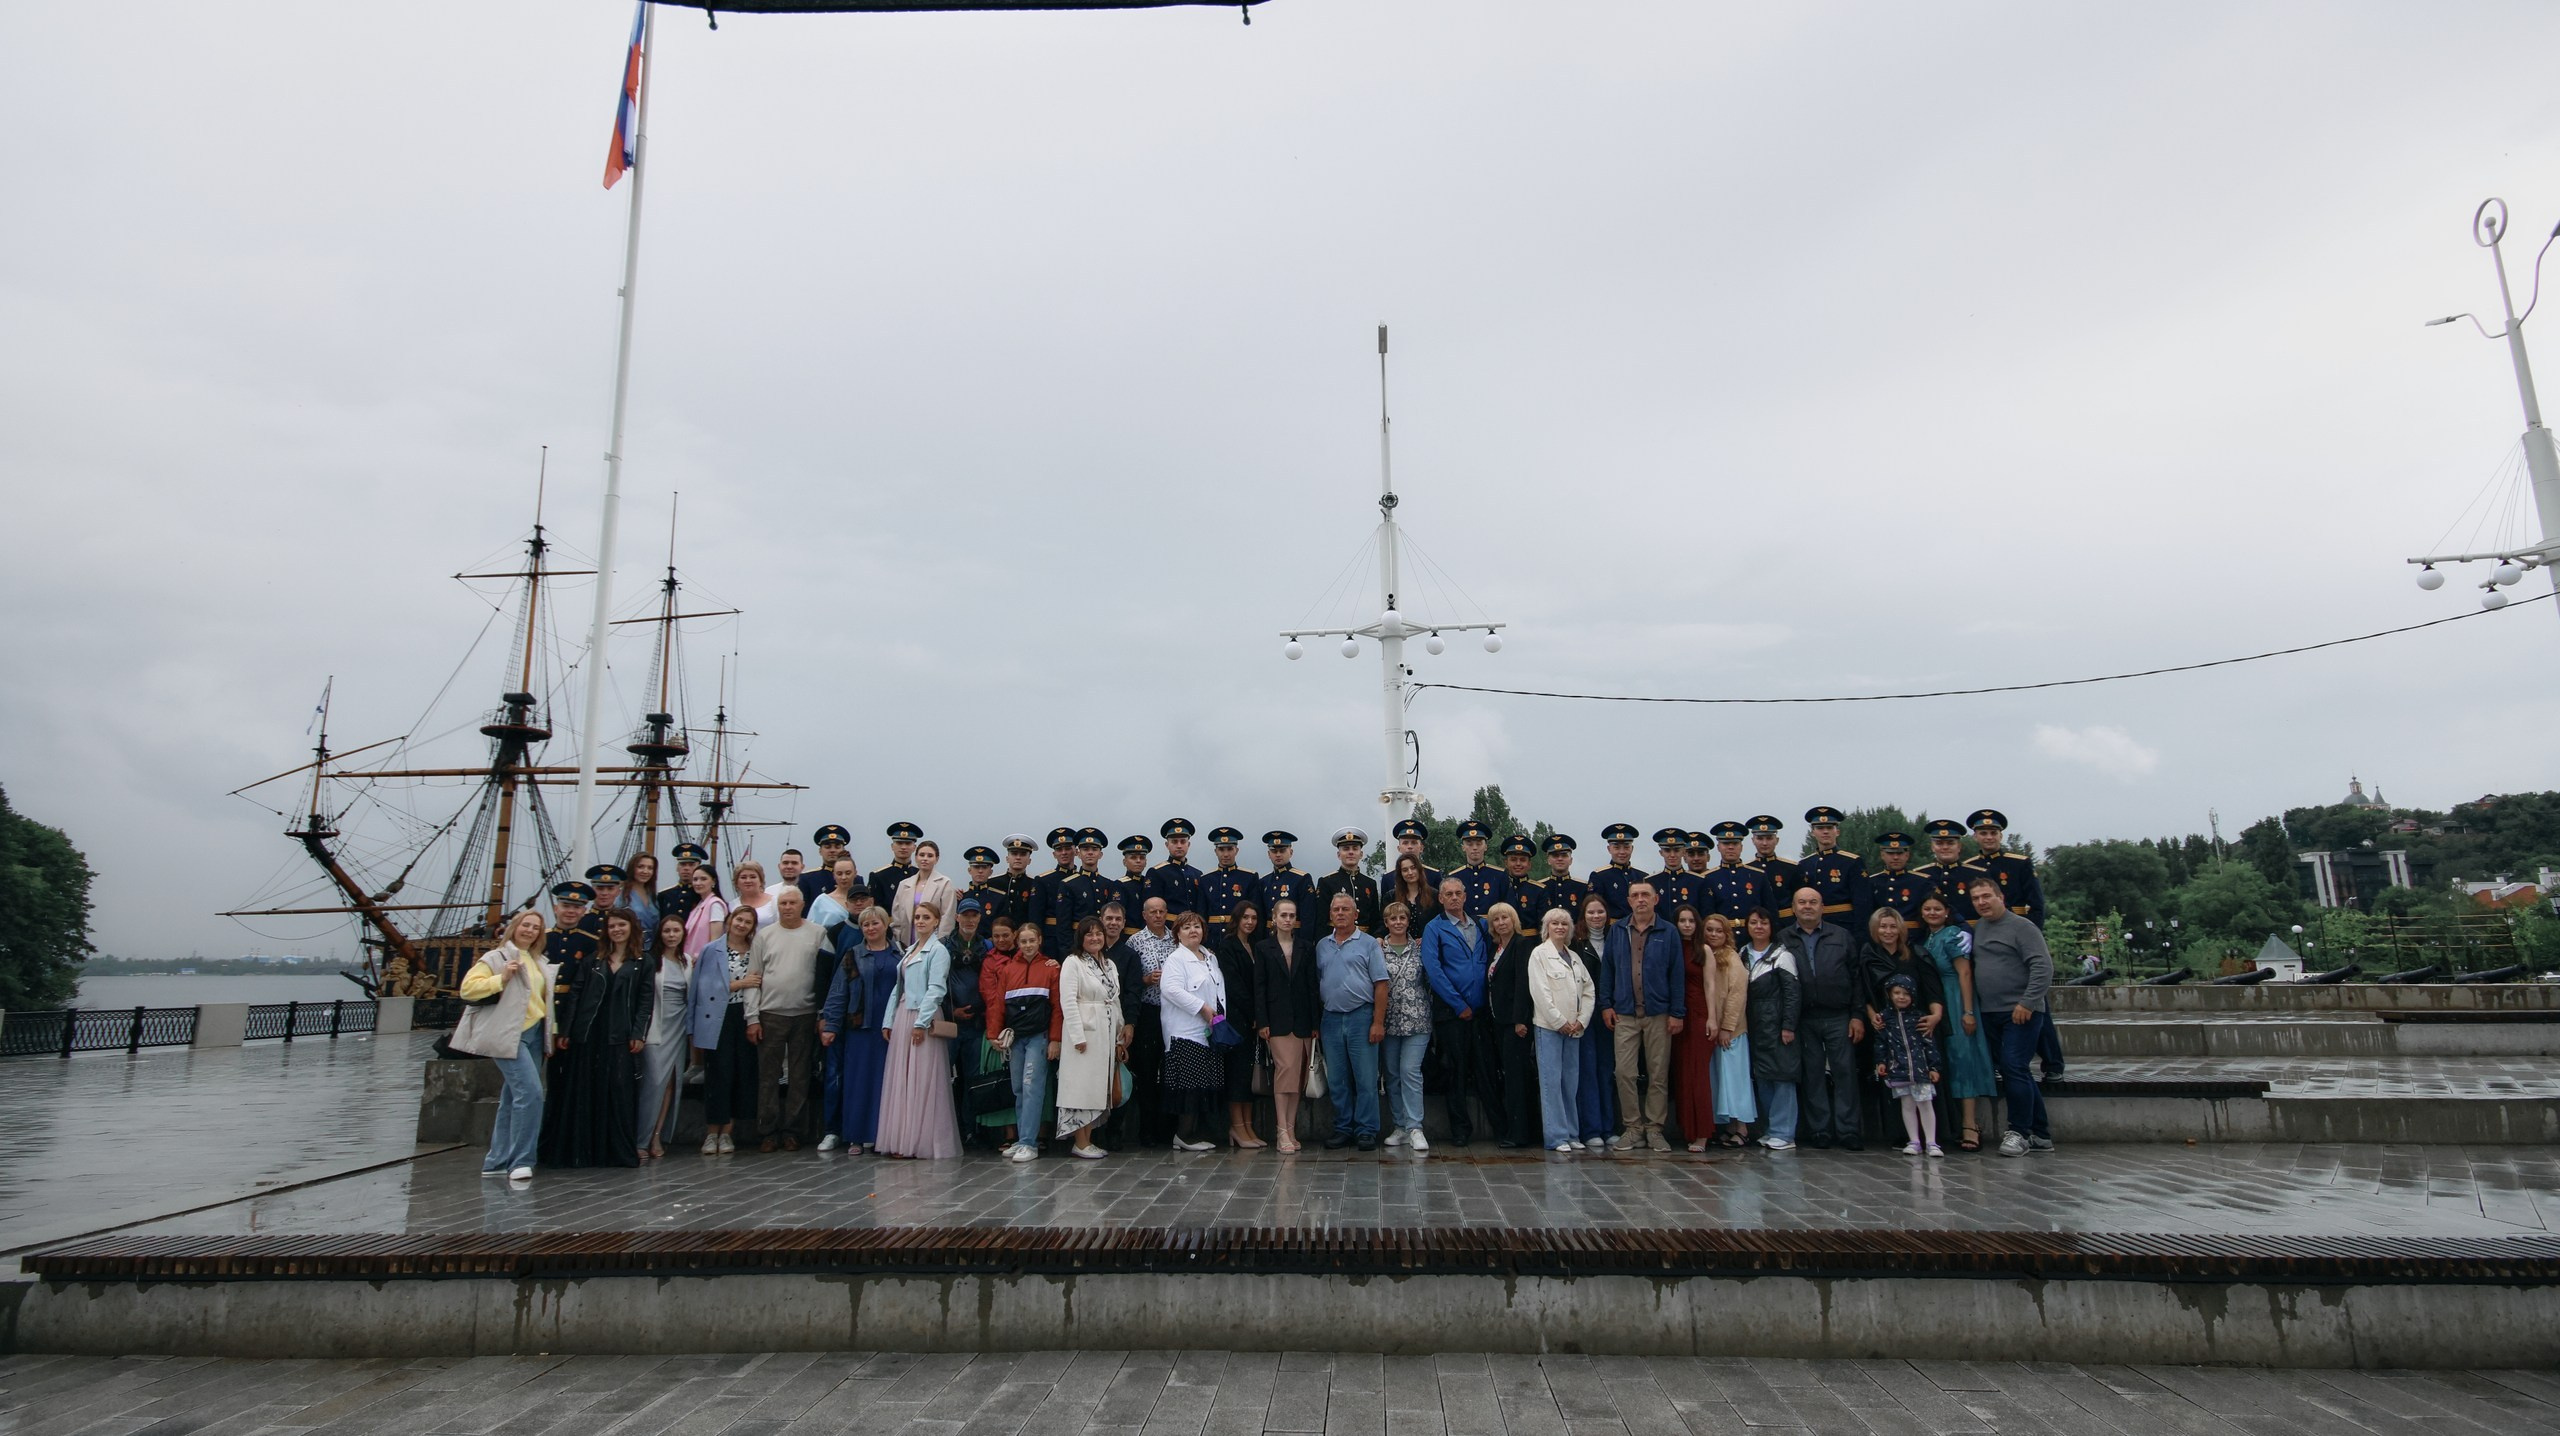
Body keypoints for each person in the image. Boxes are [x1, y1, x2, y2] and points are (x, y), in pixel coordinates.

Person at [540, 905, 648, 1168]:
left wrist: (638, 1032)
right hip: (589, 1030)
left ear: (631, 928)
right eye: (612, 926)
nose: (617, 930)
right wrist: (567, 1030)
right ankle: (584, 1149)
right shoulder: (593, 960)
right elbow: (576, 995)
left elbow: (645, 1001)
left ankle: (615, 1149)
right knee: (586, 1089)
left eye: (621, 925)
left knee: (618, 1089)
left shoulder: (643, 962)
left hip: (620, 1032)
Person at [452, 908, 555, 1182]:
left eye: (536, 927)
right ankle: (521, 1160)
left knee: (512, 1098)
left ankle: (496, 1161)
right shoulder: (496, 957)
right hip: (509, 1034)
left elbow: (542, 1000)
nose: (530, 931)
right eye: (526, 925)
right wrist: (501, 978)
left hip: (534, 1033)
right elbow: (467, 988)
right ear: (514, 927)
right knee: (531, 1094)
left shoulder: (539, 960)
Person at [1969, 875, 2056, 1157]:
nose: (1981, 902)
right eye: (1976, 898)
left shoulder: (2022, 927)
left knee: (2014, 1066)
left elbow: (2042, 966)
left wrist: (2028, 1003)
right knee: (2015, 1070)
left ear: (2001, 897)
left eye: (1986, 896)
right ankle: (2041, 1134)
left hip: (2020, 1012)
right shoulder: (1980, 928)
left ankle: (2018, 1131)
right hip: (1990, 1012)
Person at [1419, 876, 1503, 1147]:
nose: (1454, 898)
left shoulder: (1481, 924)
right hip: (1452, 1013)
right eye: (1448, 894)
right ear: (1440, 898)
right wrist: (1458, 1004)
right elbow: (1434, 970)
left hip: (1480, 1012)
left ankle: (1500, 1128)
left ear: (1465, 896)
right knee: (1455, 1072)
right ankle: (1460, 1130)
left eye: (1458, 893)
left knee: (1487, 1071)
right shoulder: (1434, 928)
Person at [1601, 879, 1685, 1152]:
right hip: (1624, 1013)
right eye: (1635, 895)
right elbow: (1608, 969)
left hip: (1658, 1013)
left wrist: (1677, 1012)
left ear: (1655, 899)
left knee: (1658, 1073)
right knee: (1624, 1072)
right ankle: (1633, 1128)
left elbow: (1677, 974)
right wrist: (1606, 1004)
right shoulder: (1617, 930)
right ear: (1628, 901)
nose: (1640, 900)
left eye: (1645, 895)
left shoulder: (1668, 931)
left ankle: (1655, 1129)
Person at [1780, 887, 1864, 1151]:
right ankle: (1820, 1130)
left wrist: (1857, 1015)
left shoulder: (1841, 935)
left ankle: (1848, 1130)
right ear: (1793, 908)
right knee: (1813, 1074)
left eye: (1813, 902)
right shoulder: (1784, 937)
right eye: (1802, 902)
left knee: (1845, 1072)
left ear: (1822, 907)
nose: (1807, 906)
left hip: (1838, 1014)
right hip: (1804, 1017)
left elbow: (1856, 977)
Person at [874, 899, 959, 1159]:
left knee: (922, 1079)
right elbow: (898, 988)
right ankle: (901, 1138)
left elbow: (936, 989)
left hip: (923, 1016)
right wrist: (889, 1020)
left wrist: (921, 1023)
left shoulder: (938, 951)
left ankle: (919, 1140)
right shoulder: (909, 950)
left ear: (936, 922)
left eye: (926, 917)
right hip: (903, 1014)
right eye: (918, 917)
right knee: (902, 1078)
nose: (920, 921)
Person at [745, 885, 826, 1152]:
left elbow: (823, 975)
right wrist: (752, 1017)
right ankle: (767, 1131)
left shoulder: (818, 933)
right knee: (768, 1076)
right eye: (783, 903)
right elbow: (753, 978)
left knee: (800, 1076)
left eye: (792, 903)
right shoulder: (764, 936)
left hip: (805, 1013)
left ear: (802, 905)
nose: (788, 907)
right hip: (771, 1014)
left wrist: (821, 1014)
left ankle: (793, 1131)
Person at [1918, 893, 2000, 1152]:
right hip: (1936, 1000)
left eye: (1937, 909)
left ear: (1947, 912)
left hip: (1955, 999)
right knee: (1946, 1061)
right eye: (1927, 909)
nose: (1932, 913)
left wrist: (1968, 1011)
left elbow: (1964, 972)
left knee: (1963, 1058)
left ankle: (1969, 1124)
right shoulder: (1928, 937)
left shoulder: (1953, 934)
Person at [1856, 905, 1943, 1147]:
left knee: (1923, 1087)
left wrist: (1936, 1015)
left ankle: (1931, 1138)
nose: (1888, 931)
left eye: (1893, 926)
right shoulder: (1868, 955)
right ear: (1875, 929)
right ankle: (1900, 1135)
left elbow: (1931, 988)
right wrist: (1872, 1015)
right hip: (1885, 1027)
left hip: (1916, 1028)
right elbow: (1863, 990)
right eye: (1883, 926)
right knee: (1892, 1083)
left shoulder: (1915, 954)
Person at [1314, 892, 1391, 1151]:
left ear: (1356, 914)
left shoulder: (1369, 944)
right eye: (1336, 909)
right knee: (1337, 1079)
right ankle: (1343, 1127)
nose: (1340, 913)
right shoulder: (1322, 945)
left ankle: (1367, 1130)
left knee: (1365, 1078)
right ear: (1330, 914)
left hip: (1362, 1016)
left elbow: (1381, 984)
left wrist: (1377, 1022)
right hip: (1331, 1018)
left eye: (1345, 909)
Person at [818, 906, 897, 1154]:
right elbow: (838, 991)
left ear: (885, 924)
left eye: (875, 923)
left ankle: (882, 1135)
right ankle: (856, 1137)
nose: (870, 928)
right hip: (860, 1028)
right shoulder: (853, 955)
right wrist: (830, 1024)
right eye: (865, 924)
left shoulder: (901, 952)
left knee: (885, 1083)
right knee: (858, 1082)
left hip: (891, 1029)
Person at [982, 918, 1061, 1161]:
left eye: (1031, 941)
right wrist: (993, 1033)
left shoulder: (1051, 969)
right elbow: (998, 1004)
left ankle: (1029, 1142)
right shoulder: (1008, 970)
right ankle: (1022, 1139)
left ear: (1040, 941)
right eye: (1023, 941)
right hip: (1016, 1038)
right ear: (1018, 942)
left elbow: (1057, 1008)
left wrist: (1055, 1039)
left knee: (1032, 1087)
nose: (1027, 945)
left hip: (1039, 1037)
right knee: (1018, 1088)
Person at [691, 905, 765, 1155]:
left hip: (744, 1015)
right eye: (738, 919)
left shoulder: (755, 949)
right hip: (718, 1016)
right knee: (718, 1075)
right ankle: (712, 1132)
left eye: (747, 922)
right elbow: (703, 988)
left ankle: (728, 1133)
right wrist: (740, 983)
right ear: (730, 920)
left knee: (740, 1074)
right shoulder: (711, 950)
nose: (742, 925)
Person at [1055, 917, 1129, 1158]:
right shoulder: (1073, 962)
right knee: (1080, 1086)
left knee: (1097, 1086)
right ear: (1081, 938)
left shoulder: (1109, 964)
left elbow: (1115, 1000)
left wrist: (1119, 1035)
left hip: (1105, 1031)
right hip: (1084, 1032)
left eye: (1099, 933)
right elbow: (1068, 1001)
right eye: (1090, 934)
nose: (1095, 938)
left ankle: (1088, 1140)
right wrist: (1077, 1036)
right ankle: (1080, 1142)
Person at [1160, 912, 1233, 1151]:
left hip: (1208, 1031)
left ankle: (1195, 1132)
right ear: (1177, 934)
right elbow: (1170, 989)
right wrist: (1201, 1007)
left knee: (1203, 1085)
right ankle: (1183, 1135)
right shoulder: (1176, 959)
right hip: (1185, 1032)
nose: (1193, 931)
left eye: (1197, 927)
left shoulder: (1210, 957)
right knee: (1189, 1088)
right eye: (1187, 927)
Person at [1253, 896, 1321, 1153]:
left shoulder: (1306, 947)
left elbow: (1312, 986)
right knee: (1285, 1072)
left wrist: (1315, 1022)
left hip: (1303, 1021)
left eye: (1292, 915)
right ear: (1274, 918)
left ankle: (1291, 1128)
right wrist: (1262, 1021)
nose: (1288, 919)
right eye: (1283, 915)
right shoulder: (1263, 947)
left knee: (1298, 1076)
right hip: (1277, 1021)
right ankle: (1281, 1129)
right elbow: (1259, 986)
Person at [1527, 909, 1595, 1154]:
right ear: (1546, 927)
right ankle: (1556, 1137)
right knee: (1551, 1083)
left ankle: (1572, 1133)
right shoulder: (1539, 954)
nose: (1560, 927)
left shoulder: (1574, 957)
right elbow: (1540, 992)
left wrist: (1582, 1020)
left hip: (1574, 1029)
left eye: (1564, 924)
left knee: (1570, 1083)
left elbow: (1588, 991)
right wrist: (1559, 1021)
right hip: (1550, 1028)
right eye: (1554, 923)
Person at [1124, 896, 1183, 1147]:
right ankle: (1147, 1131)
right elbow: (1129, 980)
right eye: (1153, 912)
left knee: (1171, 1071)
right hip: (1148, 1011)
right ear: (1144, 915)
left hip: (1173, 1012)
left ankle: (1169, 1129)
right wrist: (1147, 979)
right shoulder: (1135, 941)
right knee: (1147, 1071)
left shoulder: (1177, 940)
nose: (1158, 916)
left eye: (1161, 911)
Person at [1741, 908, 1801, 1151]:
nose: (1758, 927)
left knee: (1782, 1077)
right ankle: (1770, 1129)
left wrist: (1788, 1025)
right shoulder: (1742, 954)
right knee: (1763, 1076)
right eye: (1754, 922)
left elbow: (1792, 994)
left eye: (1763, 923)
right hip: (1754, 1025)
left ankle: (1784, 1132)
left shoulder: (1782, 956)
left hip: (1776, 1024)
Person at [1483, 902, 1541, 1149]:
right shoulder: (1496, 948)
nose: (1501, 923)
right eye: (1496, 919)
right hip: (1499, 1020)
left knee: (1518, 1078)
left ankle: (1520, 1133)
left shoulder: (1521, 945)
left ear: (1513, 920)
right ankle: (1520, 1129)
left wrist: (1520, 1019)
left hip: (1515, 1023)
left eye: (1505, 918)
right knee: (1511, 1075)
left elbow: (1522, 984)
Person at [637, 912, 695, 1159]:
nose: (672, 935)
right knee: (653, 1082)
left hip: (678, 1027)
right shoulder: (650, 961)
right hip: (655, 1028)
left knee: (671, 1082)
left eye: (676, 931)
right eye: (667, 931)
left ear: (683, 934)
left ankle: (657, 1135)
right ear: (660, 934)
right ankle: (640, 1138)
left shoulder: (687, 961)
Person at [1376, 901, 1431, 1151]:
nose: (1398, 922)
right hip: (1388, 1021)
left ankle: (1415, 1127)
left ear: (1408, 921)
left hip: (1417, 1019)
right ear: (1386, 923)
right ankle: (1400, 1126)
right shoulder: (1378, 949)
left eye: (1402, 918)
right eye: (1393, 919)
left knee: (1410, 1071)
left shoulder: (1420, 947)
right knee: (1392, 1074)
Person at [1872, 974, 1945, 1156]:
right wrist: (1881, 1062)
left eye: (1906, 993)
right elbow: (1881, 1042)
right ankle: (1914, 1141)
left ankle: (1931, 1142)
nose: (1901, 997)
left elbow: (1929, 1043)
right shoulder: (1884, 1018)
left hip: (1921, 1070)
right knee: (1907, 1105)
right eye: (1897, 993)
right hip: (1898, 1069)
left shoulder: (1920, 1017)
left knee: (1925, 1103)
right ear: (1889, 994)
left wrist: (1934, 1067)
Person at [1671, 906, 1724, 1152]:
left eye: (1691, 920)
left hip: (1699, 1014)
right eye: (1682, 920)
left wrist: (1712, 1018)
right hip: (1676, 1015)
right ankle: (1687, 1129)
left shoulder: (1704, 950)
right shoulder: (1671, 947)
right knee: (1682, 1074)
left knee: (1698, 1074)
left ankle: (1702, 1133)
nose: (1687, 925)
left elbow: (1710, 985)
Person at [1569, 896, 1620, 1151]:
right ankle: (1591, 1129)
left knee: (1607, 1070)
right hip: (1585, 1015)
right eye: (1591, 912)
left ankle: (1609, 1127)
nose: (1596, 916)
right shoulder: (1576, 942)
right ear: (1583, 915)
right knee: (1588, 1071)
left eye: (1600, 911)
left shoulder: (1616, 938)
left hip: (1611, 1013)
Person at [1214, 901, 1267, 1148]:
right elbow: (1234, 985)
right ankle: (1236, 1127)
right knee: (1237, 1074)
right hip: (1237, 1018)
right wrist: (1253, 1013)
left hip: (1254, 1018)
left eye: (1254, 918)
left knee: (1248, 1074)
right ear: (1236, 919)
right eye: (1245, 917)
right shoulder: (1227, 946)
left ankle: (1248, 1125)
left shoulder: (1256, 945)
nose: (1250, 922)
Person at [943, 898, 992, 1148]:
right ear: (957, 917)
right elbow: (937, 984)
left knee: (973, 1080)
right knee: (943, 1078)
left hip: (976, 1025)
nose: (969, 920)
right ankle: (943, 1128)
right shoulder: (944, 946)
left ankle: (971, 1129)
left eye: (974, 915)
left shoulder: (987, 946)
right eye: (965, 915)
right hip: (950, 1024)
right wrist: (951, 1010)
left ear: (980, 918)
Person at [1704, 912, 1755, 1147]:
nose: (1714, 934)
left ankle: (1742, 1127)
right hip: (1712, 1030)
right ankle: (1729, 1126)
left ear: (1727, 934)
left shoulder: (1732, 958)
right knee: (1720, 1080)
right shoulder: (1706, 955)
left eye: (1719, 931)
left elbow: (1737, 996)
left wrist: (1727, 1027)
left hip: (1731, 1032)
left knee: (1735, 1080)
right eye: (1709, 930)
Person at [1798, 806, 1869, 937]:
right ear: (1813, 832)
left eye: (1830, 827)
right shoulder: (1805, 864)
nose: (1825, 832)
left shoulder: (1852, 862)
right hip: (1813, 927)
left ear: (1837, 831)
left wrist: (1861, 935)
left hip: (1844, 925)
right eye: (1820, 828)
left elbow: (1862, 903)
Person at [1316, 827, 1386, 935]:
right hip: (1335, 938)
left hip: (1364, 939)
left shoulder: (1370, 883)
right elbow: (1320, 920)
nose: (1351, 852)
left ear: (1361, 854)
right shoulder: (1326, 882)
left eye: (1355, 848)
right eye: (1346, 849)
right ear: (1339, 855)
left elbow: (1375, 918)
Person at [890, 840, 959, 946]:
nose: (925, 859)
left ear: (936, 859)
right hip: (906, 943)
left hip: (933, 943)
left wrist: (939, 945)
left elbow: (947, 919)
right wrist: (898, 943)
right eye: (922, 855)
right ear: (916, 857)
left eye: (930, 856)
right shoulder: (904, 884)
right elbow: (897, 918)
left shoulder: (945, 883)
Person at [1701, 822, 1771, 924]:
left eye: (1735, 844)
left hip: (1752, 931)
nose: (1730, 847)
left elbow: (1769, 911)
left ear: (1741, 847)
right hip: (1722, 932)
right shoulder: (1708, 878)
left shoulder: (1758, 876)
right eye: (1725, 844)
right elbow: (1706, 914)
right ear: (1718, 847)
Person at [1199, 827, 1258, 936]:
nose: (1226, 854)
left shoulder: (1249, 877)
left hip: (1238, 935)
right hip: (1212, 936)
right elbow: (1201, 913)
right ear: (1215, 851)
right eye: (1221, 849)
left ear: (1236, 850)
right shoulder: (1205, 879)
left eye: (1230, 849)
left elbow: (1254, 912)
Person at [1450, 819, 1512, 917]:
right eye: (1469, 844)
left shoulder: (1499, 875)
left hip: (1492, 925)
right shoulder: (1454, 877)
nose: (1474, 848)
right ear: (1463, 847)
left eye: (1479, 843)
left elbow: (1507, 907)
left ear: (1485, 847)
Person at [1258, 831, 1319, 927]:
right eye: (1274, 851)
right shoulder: (1264, 881)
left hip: (1293, 933)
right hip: (1269, 934)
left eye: (1282, 851)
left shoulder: (1302, 879)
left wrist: (1304, 937)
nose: (1278, 854)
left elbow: (1308, 916)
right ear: (1269, 854)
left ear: (1291, 852)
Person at [1147, 818, 1204, 920]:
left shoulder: (1197, 874)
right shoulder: (1157, 872)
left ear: (1188, 844)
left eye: (1183, 841)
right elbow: (1151, 908)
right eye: (1174, 842)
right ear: (1167, 845)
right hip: (1169, 926)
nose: (1179, 846)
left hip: (1193, 925)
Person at [1867, 831, 1929, 924]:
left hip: (1912, 932)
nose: (1895, 857)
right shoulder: (1871, 882)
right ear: (1882, 855)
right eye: (1890, 853)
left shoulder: (1922, 881)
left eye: (1900, 853)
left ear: (1907, 855)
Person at [1382, 817, 1443, 907]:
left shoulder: (1434, 876)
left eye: (1414, 843)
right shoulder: (1388, 878)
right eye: (1405, 843)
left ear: (1421, 848)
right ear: (1399, 848)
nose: (1409, 847)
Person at [1588, 823, 1642, 920]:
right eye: (1616, 848)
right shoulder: (1599, 876)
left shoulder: (1642, 876)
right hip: (1612, 927)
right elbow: (1593, 907)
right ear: (1609, 849)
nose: (1622, 852)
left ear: (1632, 849)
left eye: (1626, 847)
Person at [986, 834, 1040, 928]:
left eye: (1023, 854)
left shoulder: (1035, 884)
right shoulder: (992, 883)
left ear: (1029, 860)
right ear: (1007, 859)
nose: (1018, 857)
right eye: (1014, 853)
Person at [1745, 816, 1800, 907]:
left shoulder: (1791, 868)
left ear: (1777, 840)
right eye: (1760, 838)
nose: (1765, 843)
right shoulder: (1745, 870)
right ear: (1753, 840)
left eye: (1769, 838)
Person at [869, 821, 923, 911]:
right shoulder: (879, 876)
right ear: (892, 846)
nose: (903, 847)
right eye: (899, 843)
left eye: (908, 843)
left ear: (914, 848)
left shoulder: (920, 874)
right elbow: (874, 908)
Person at [1501, 834, 1551, 928]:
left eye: (1523, 860)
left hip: (1531, 937)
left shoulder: (1539, 890)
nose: (1518, 864)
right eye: (1513, 860)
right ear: (1506, 863)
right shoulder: (1499, 887)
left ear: (1529, 864)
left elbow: (1543, 925)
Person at [1648, 828, 1700, 917]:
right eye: (1667, 851)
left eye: (1676, 850)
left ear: (1684, 852)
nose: (1672, 855)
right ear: (1661, 853)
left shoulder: (1698, 881)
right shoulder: (1651, 882)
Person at [678, 866, 729, 957]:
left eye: (703, 879)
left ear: (713, 881)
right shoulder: (699, 905)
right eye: (695, 879)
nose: (698, 883)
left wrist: (702, 956)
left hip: (705, 958)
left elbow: (715, 940)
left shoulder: (715, 905)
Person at [1541, 835, 1589, 927]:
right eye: (1555, 855)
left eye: (1564, 855)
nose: (1560, 859)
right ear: (1548, 860)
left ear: (1571, 860)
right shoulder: (1539, 887)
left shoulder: (1583, 887)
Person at [660, 841, 709, 925]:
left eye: (691, 865)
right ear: (677, 868)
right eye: (682, 864)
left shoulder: (703, 896)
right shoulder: (664, 895)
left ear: (699, 868)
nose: (686, 868)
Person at [809, 824, 854, 904]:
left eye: (837, 847)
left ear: (843, 849)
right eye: (828, 847)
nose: (832, 850)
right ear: (820, 851)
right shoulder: (808, 879)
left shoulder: (856, 879)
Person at [732, 861, 777, 933]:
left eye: (753, 877)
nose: (748, 880)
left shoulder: (775, 902)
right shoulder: (732, 905)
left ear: (761, 881)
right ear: (736, 882)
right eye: (743, 877)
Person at [624, 853, 662, 935]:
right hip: (632, 940)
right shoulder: (622, 894)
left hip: (653, 941)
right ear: (632, 868)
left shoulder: (652, 896)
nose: (645, 871)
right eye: (640, 867)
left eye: (650, 868)